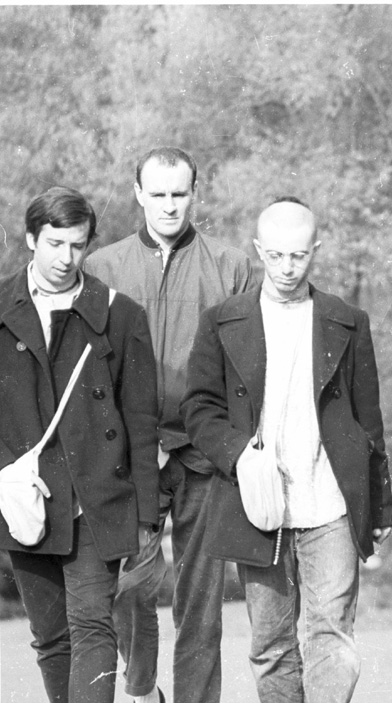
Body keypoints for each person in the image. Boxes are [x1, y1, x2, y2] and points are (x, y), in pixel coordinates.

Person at [182, 197, 392, 703]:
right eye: (275, 255)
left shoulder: (347, 320)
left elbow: (369, 420)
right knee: (271, 646)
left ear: (315, 250)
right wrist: (239, 454)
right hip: (259, 505)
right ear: (259, 250)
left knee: (331, 637)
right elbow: (199, 409)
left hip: (331, 504)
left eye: (298, 255)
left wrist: (380, 504)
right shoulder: (222, 321)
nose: (286, 267)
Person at [83, 146, 254, 703]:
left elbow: (247, 367)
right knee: (130, 585)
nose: (169, 205)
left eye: (179, 193)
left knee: (200, 604)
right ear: (138, 194)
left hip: (205, 454)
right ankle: (142, 689)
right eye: (157, 194)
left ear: (194, 193)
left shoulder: (231, 266)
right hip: (132, 454)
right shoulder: (102, 268)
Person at [0, 186, 159, 703]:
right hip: (24, 496)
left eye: (78, 245)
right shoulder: (2, 307)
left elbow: (141, 420)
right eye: (55, 243)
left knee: (92, 625)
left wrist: (147, 514)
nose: (66, 258)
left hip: (97, 496)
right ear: (31, 239)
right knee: (51, 637)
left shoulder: (120, 314)